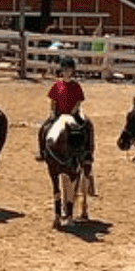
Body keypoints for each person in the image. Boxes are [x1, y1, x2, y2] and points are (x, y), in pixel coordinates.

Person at [38, 56, 93, 189]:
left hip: (72, 113)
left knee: (87, 126)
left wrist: (73, 113)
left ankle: (88, 152)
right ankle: (42, 152)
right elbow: (53, 100)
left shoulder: (76, 85)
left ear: (73, 71)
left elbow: (79, 101)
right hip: (58, 114)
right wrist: (52, 112)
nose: (66, 72)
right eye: (64, 69)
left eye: (69, 69)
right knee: (43, 128)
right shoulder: (57, 85)